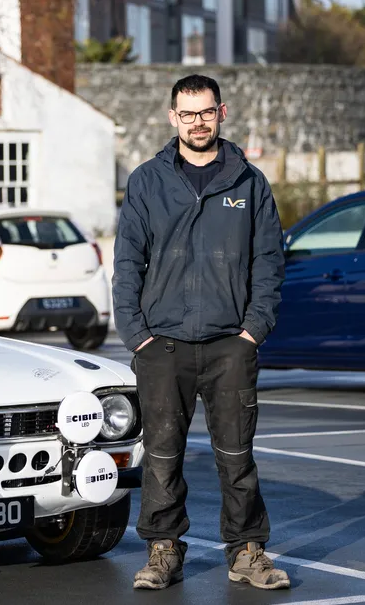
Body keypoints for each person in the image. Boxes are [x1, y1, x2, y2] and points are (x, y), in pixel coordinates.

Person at [111, 74, 289, 591]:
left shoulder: (249, 183)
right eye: (187, 114)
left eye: (206, 112)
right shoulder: (147, 181)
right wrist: (136, 335)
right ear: (173, 118)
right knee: (163, 455)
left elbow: (269, 263)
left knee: (237, 455)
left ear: (221, 112)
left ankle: (247, 552)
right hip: (161, 345)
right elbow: (127, 262)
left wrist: (253, 331)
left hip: (230, 344)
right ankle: (163, 552)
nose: (197, 122)